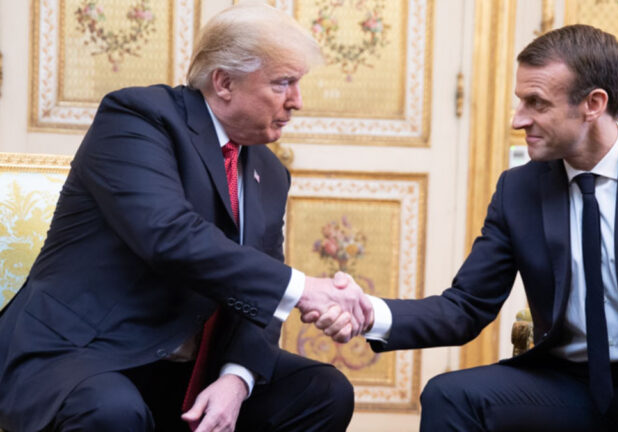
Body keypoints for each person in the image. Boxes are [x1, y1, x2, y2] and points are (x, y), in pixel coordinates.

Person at [315, 24, 618, 431]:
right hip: (570, 384)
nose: (517, 119)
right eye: (520, 100)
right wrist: (372, 314)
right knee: (451, 397)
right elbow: (466, 307)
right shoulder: (518, 190)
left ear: (593, 104)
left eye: (537, 103)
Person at [0, 4, 373, 432]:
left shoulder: (268, 172)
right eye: (282, 83)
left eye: (297, 84)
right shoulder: (138, 119)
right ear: (224, 82)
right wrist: (304, 289)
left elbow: (260, 294)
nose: (297, 102)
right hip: (84, 353)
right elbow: (169, 236)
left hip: (186, 365)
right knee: (113, 412)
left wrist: (236, 379)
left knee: (323, 392)